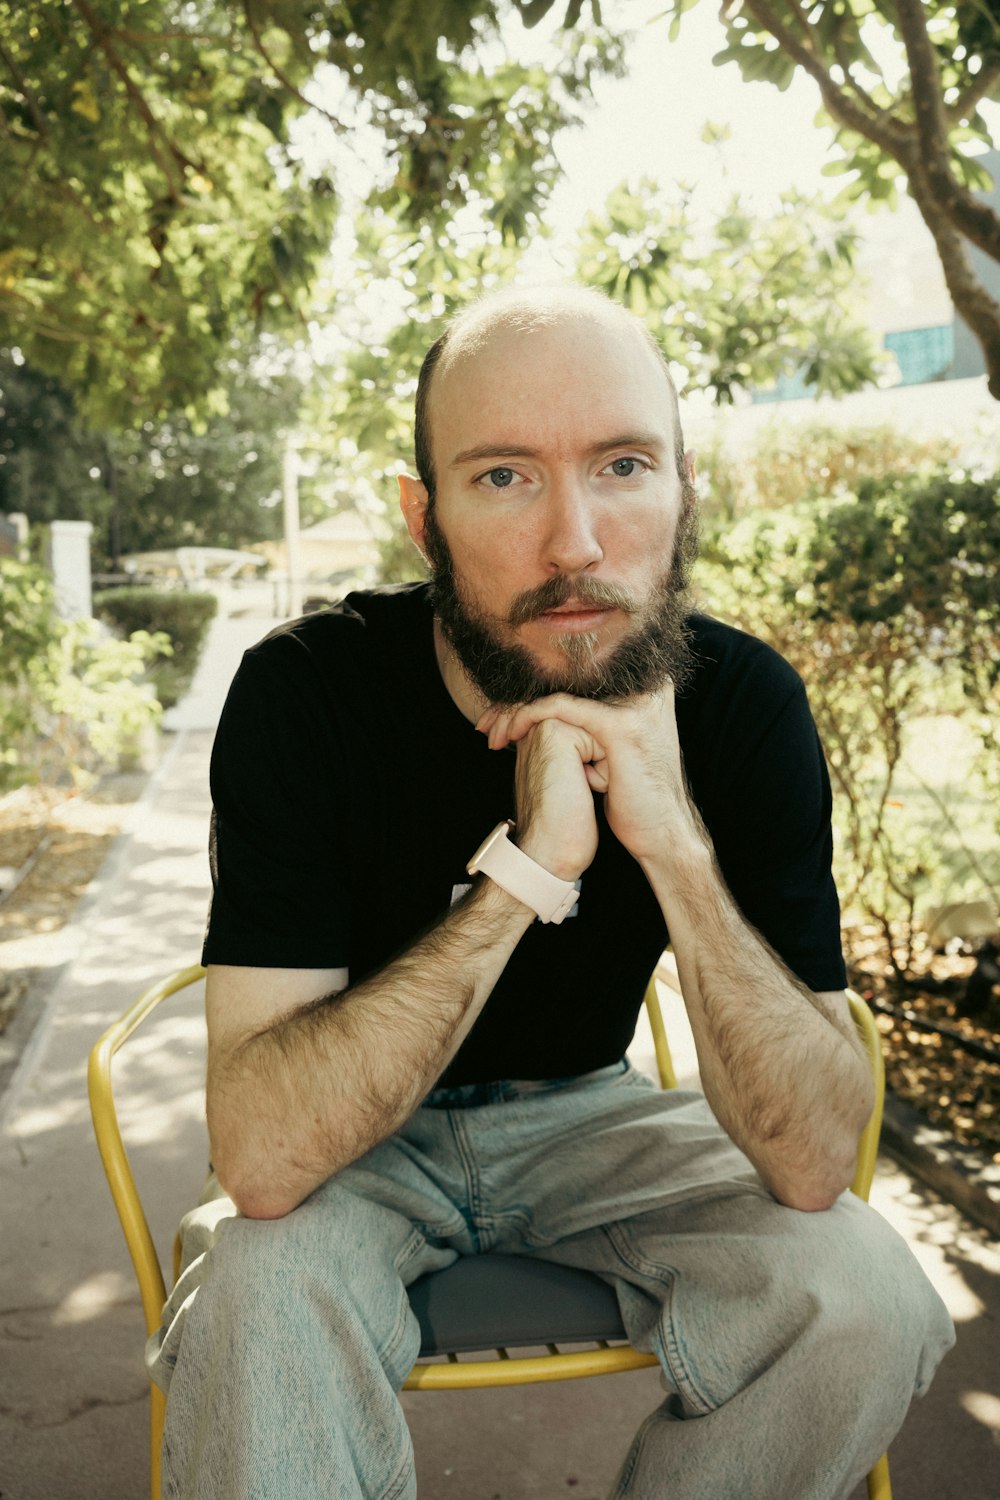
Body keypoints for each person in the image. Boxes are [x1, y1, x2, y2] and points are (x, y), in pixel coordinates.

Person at [147, 284, 954, 1499]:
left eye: (622, 466)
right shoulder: (304, 694)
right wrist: (528, 872)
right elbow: (262, 1159)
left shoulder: (744, 704)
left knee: (866, 1298)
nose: (573, 542)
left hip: (596, 1119)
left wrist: (672, 840)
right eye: (504, 478)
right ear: (424, 517)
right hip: (353, 1142)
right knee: (253, 1303)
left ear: (686, 488)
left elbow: (811, 1163)